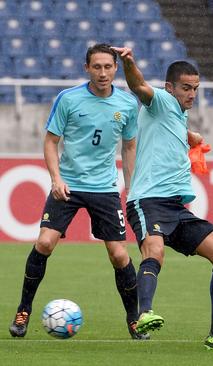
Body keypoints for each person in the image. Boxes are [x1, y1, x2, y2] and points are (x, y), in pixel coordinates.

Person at [112, 46, 213, 351]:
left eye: (196, 89)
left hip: (176, 207)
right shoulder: (160, 101)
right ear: (170, 87)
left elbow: (171, 128)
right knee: (155, 250)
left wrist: (192, 138)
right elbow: (139, 87)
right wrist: (129, 63)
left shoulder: (176, 115)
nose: (192, 94)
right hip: (147, 200)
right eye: (186, 88)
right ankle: (144, 313)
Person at [8, 43, 146, 340]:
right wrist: (56, 179)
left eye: (108, 67)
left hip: (105, 189)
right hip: (68, 184)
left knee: (119, 255)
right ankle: (23, 311)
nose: (103, 73)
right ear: (87, 69)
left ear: (115, 68)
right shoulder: (68, 99)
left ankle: (134, 320)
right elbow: (50, 141)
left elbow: (130, 146)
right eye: (96, 67)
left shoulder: (126, 105)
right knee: (45, 243)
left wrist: (131, 190)